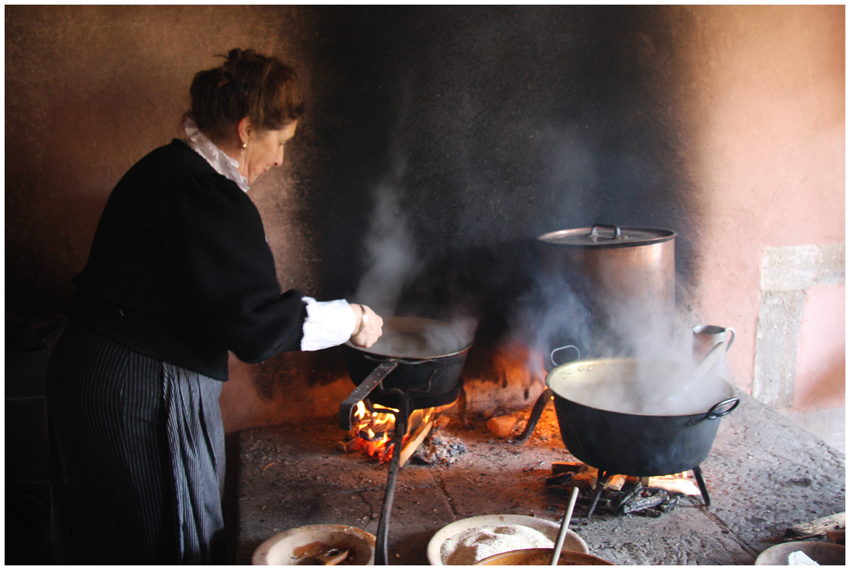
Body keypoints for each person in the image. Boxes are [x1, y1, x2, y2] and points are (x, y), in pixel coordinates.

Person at [45, 48, 383, 565]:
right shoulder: (206, 194)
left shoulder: (165, 168)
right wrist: (353, 319)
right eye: (280, 142)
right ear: (247, 130)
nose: (279, 160)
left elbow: (239, 304)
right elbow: (256, 328)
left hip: (98, 372)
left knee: (113, 536)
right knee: (162, 543)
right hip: (137, 387)